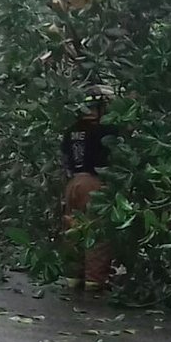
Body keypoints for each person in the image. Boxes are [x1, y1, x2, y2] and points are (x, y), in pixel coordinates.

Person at [60, 84, 119, 291]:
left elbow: (66, 158)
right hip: (95, 184)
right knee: (97, 233)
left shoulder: (73, 130)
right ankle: (94, 282)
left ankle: (73, 279)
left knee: (73, 229)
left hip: (73, 183)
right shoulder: (106, 130)